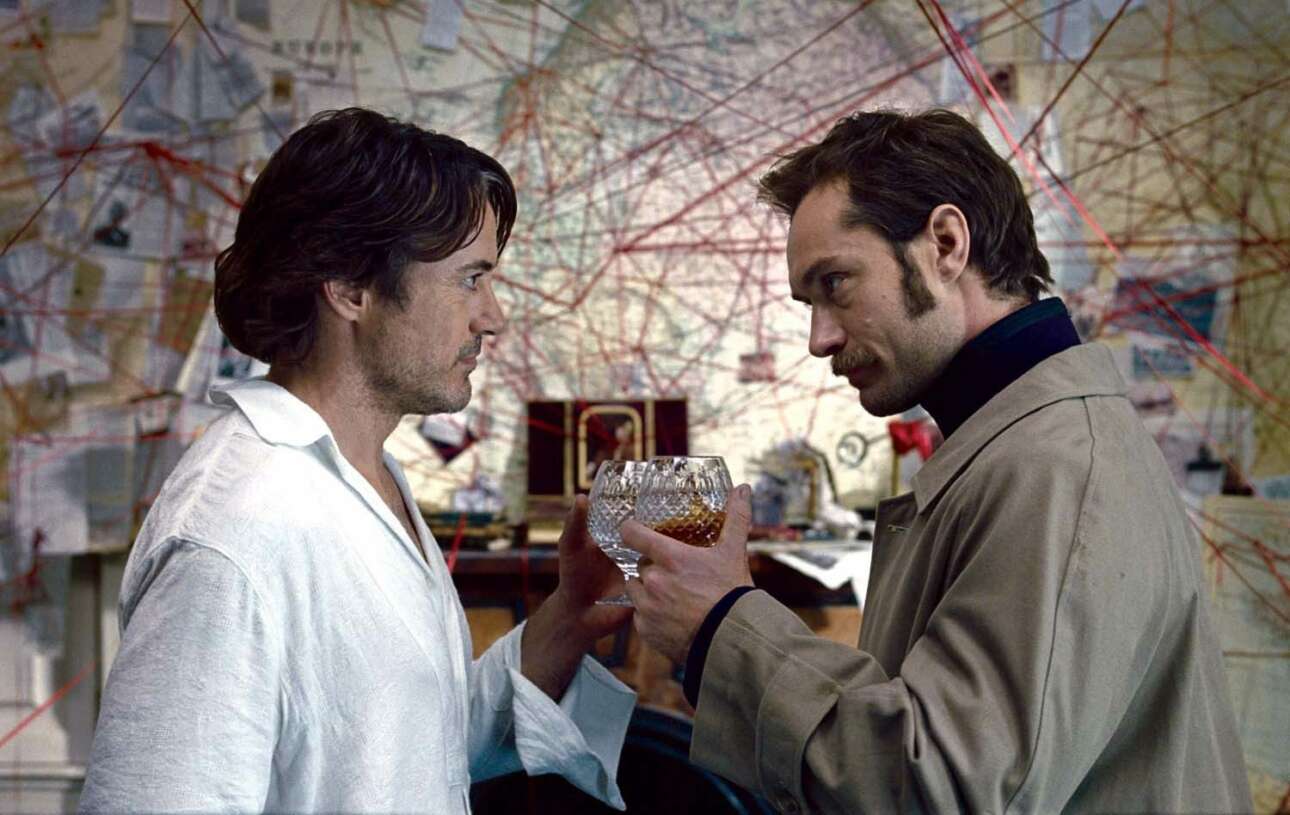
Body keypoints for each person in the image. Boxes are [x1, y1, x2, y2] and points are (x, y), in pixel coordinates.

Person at [622, 109, 1252, 814]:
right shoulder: (1019, 445)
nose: (819, 339)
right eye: (808, 302)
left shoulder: (1057, 465)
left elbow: (947, 788)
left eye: (836, 283)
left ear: (946, 244)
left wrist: (720, 627)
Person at [80, 108, 636, 813]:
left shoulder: (359, 478)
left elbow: (409, 750)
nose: (492, 316)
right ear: (349, 287)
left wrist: (572, 613)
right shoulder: (234, 534)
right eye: (470, 279)